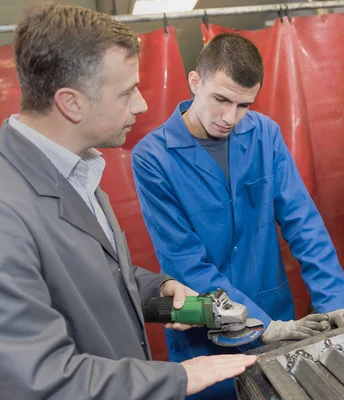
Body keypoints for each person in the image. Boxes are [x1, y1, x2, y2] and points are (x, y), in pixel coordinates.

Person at [0, 4, 256, 399]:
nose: (141, 105)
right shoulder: (7, 212)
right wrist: (179, 378)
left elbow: (88, 276)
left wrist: (157, 286)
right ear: (71, 103)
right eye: (126, 92)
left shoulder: (77, 169)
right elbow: (42, 379)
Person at [132, 32, 344, 399]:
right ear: (195, 81)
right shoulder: (152, 158)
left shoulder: (265, 134)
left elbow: (303, 224)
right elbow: (185, 262)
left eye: (244, 105)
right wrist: (259, 324)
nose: (231, 117)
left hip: (280, 321)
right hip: (207, 332)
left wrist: (336, 302)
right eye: (221, 99)